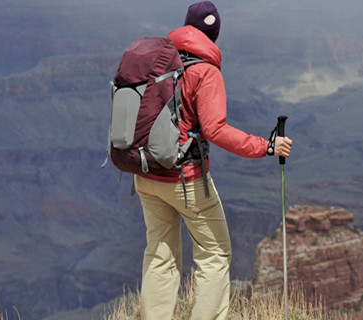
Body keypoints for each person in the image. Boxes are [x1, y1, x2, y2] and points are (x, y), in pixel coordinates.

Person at [134, 1, 292, 319]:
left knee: (160, 254)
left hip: (145, 173)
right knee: (215, 254)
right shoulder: (205, 71)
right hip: (185, 180)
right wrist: (266, 147)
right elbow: (215, 130)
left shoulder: (158, 61)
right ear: (214, 35)